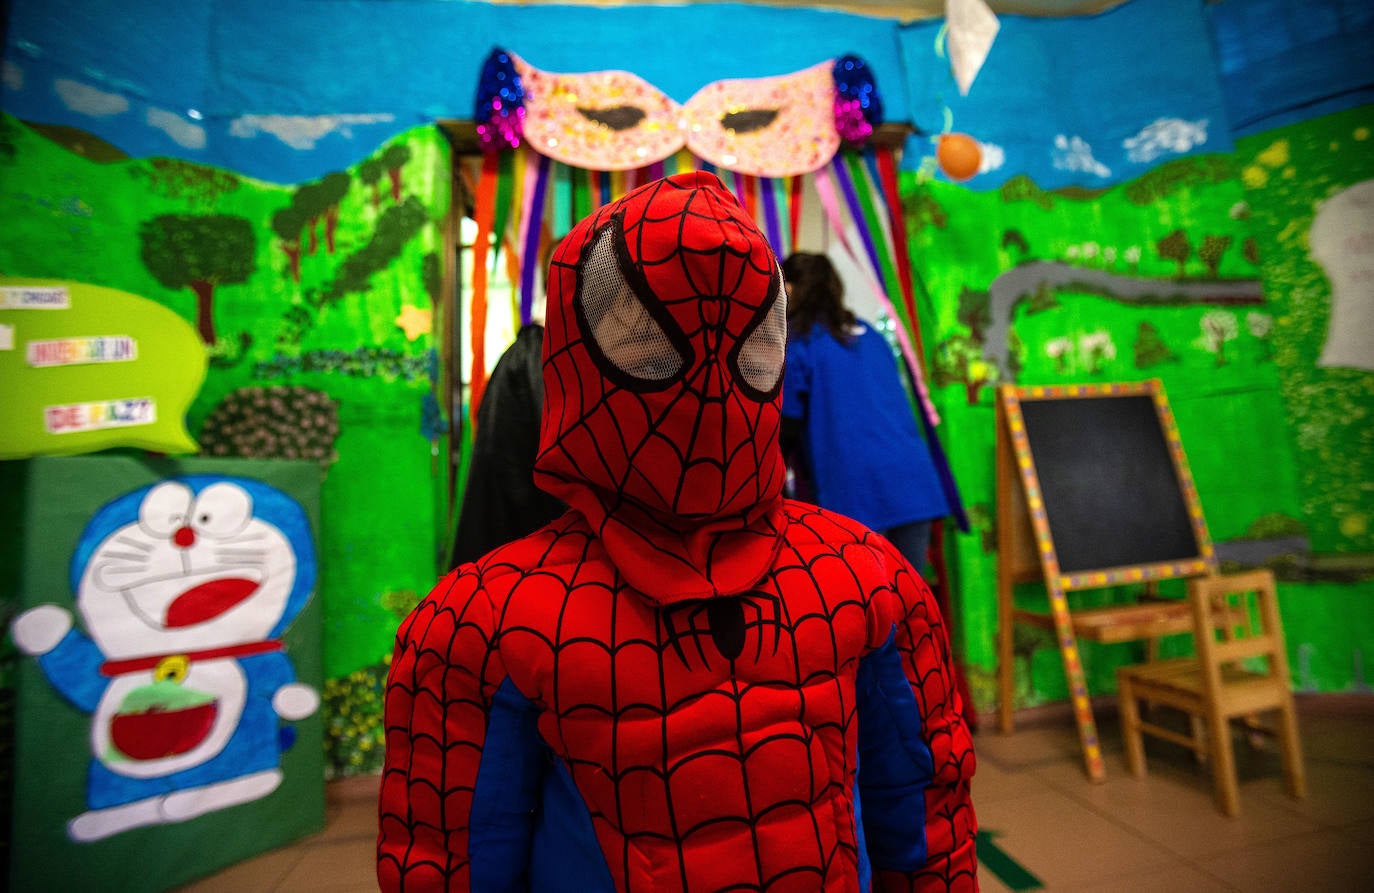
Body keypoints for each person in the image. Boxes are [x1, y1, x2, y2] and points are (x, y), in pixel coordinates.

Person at [378, 171, 977, 892]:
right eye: (653, 350)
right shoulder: (482, 626)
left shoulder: (868, 581)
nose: (709, 392)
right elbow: (455, 855)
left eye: (744, 352)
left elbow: (922, 816)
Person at [779, 251, 951, 575]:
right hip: (913, 483)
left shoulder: (800, 342)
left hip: (857, 493)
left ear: (789, 289)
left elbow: (785, 427)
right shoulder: (869, 334)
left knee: (867, 612)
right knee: (908, 606)